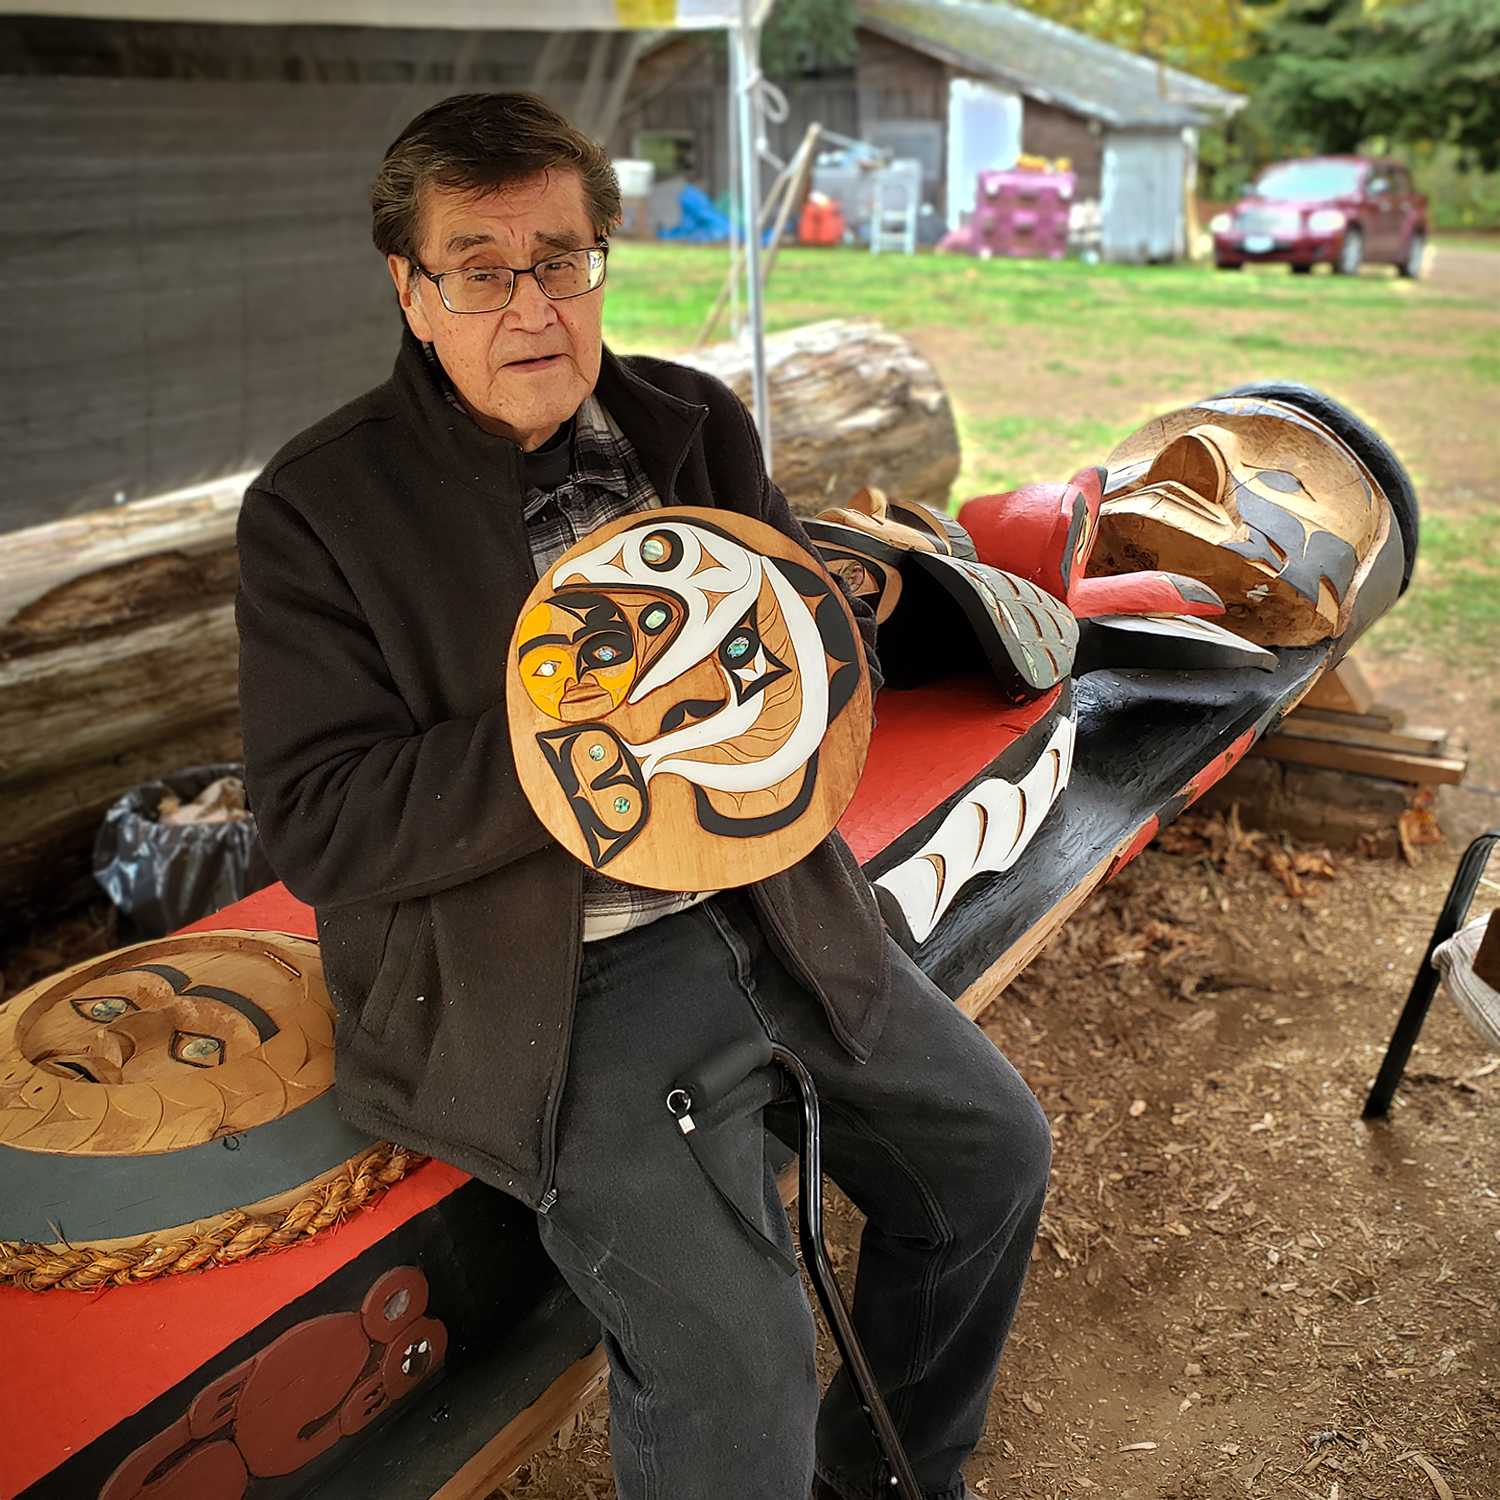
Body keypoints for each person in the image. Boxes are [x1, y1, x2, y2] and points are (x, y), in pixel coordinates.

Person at [235, 91, 1051, 1500]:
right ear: (411, 291)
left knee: (989, 1159)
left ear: (600, 261)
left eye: (561, 258)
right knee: (736, 1367)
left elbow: (805, 647)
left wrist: (831, 636)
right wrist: (594, 744)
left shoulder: (689, 421)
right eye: (480, 270)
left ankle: (892, 1478)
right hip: (551, 983)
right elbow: (322, 820)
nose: (531, 305)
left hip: (775, 900)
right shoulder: (319, 508)